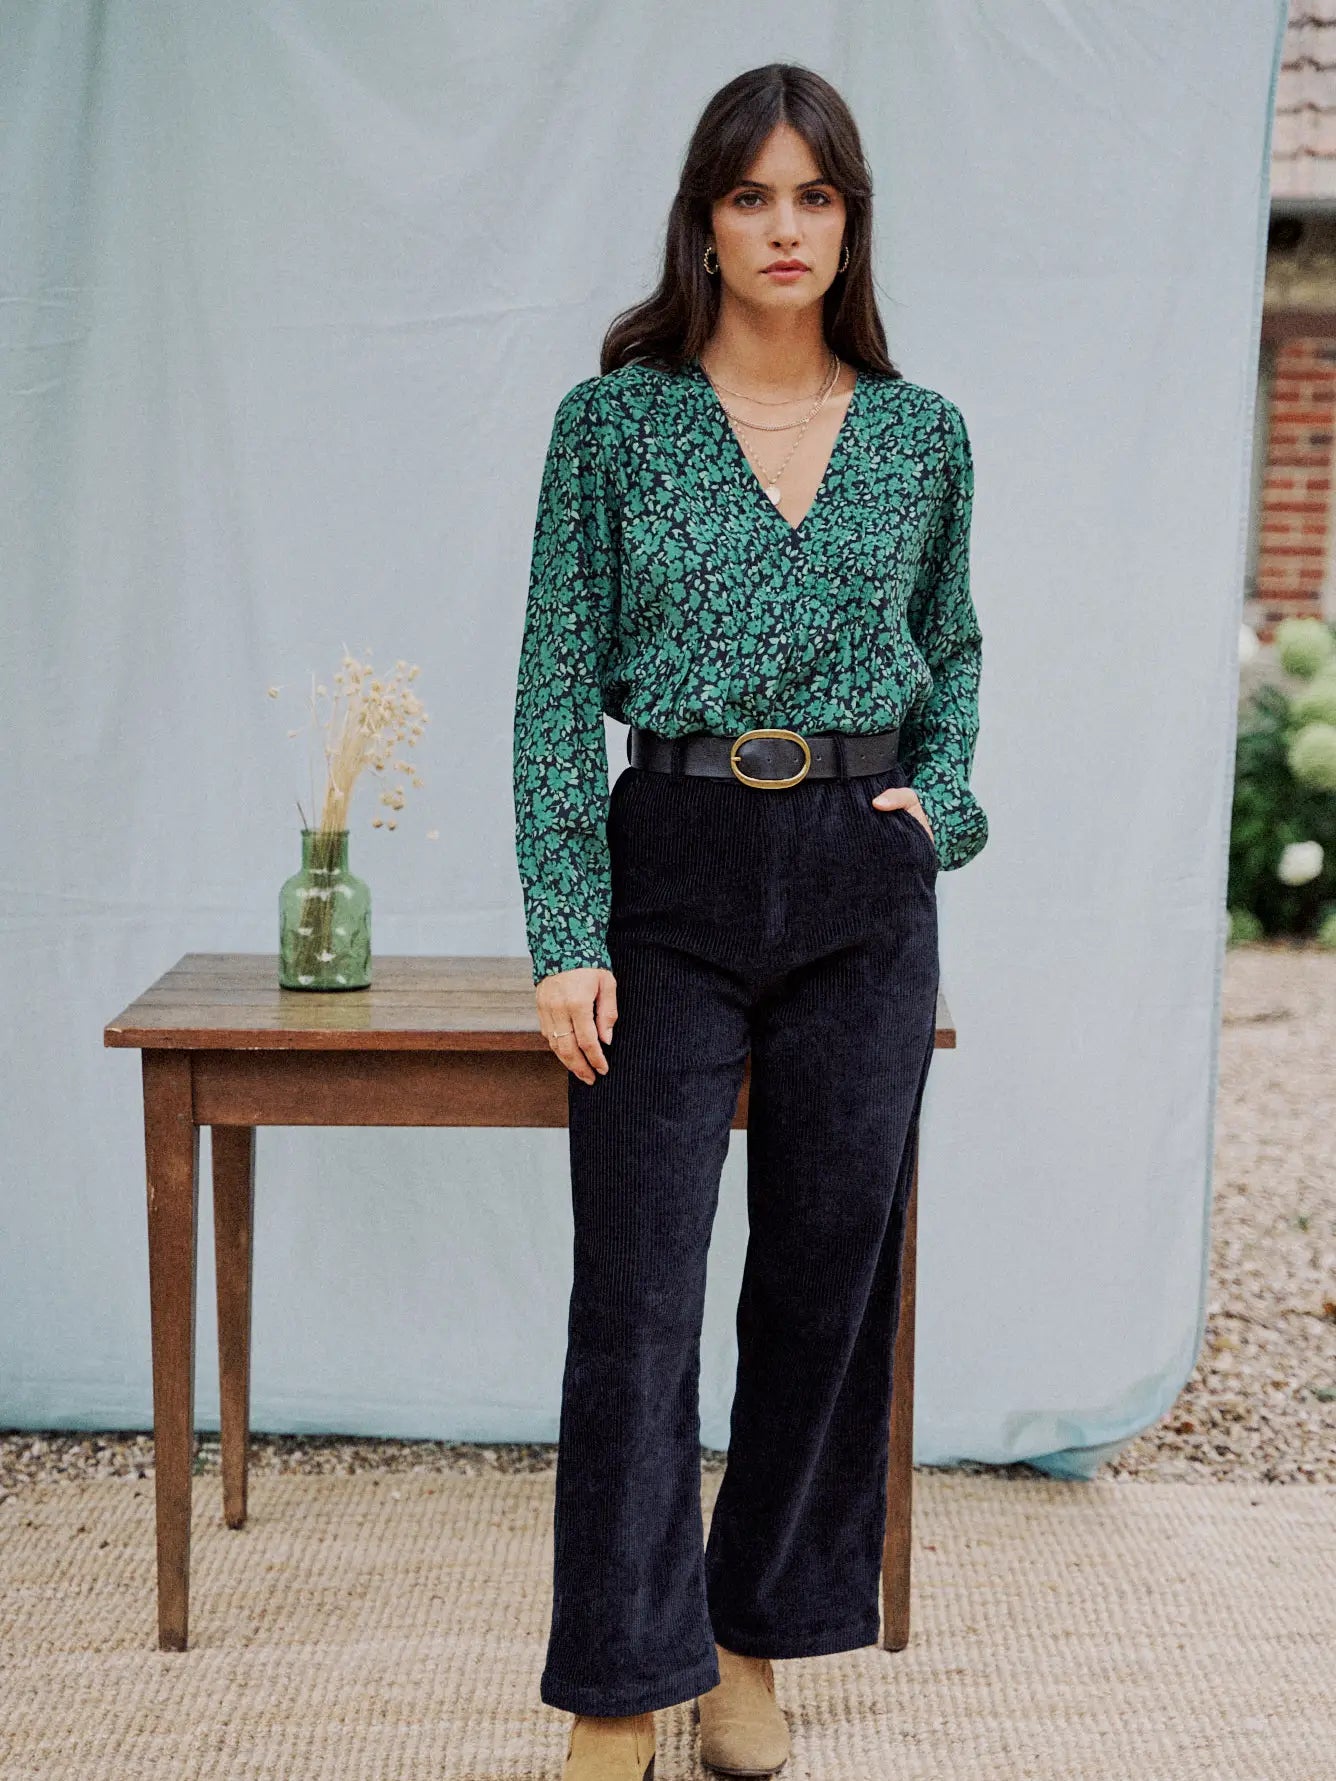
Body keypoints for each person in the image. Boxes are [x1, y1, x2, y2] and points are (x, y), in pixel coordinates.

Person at [511, 61, 988, 1781]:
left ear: (849, 218)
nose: (784, 229)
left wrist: (952, 802)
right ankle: (617, 1685)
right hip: (674, 869)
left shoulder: (922, 432)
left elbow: (961, 651)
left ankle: (750, 1643)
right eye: (750, 197)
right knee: (635, 1293)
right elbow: (556, 683)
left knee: (822, 1288)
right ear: (704, 222)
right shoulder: (617, 421)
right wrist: (569, 925)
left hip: (866, 887)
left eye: (814, 197)